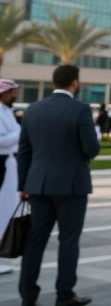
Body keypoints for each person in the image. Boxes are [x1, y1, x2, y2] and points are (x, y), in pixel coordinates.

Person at [17, 65, 100, 306]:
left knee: (34, 242)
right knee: (68, 240)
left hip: (38, 186)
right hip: (72, 186)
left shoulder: (33, 110)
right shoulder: (80, 109)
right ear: (75, 83)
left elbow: (25, 152)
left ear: (54, 82)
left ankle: (28, 295)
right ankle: (64, 295)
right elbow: (91, 149)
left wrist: (22, 186)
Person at [0, 79, 22, 275]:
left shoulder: (7, 112)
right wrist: (18, 134)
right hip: (1, 163)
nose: (14, 96)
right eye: (12, 93)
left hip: (9, 162)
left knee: (6, 209)